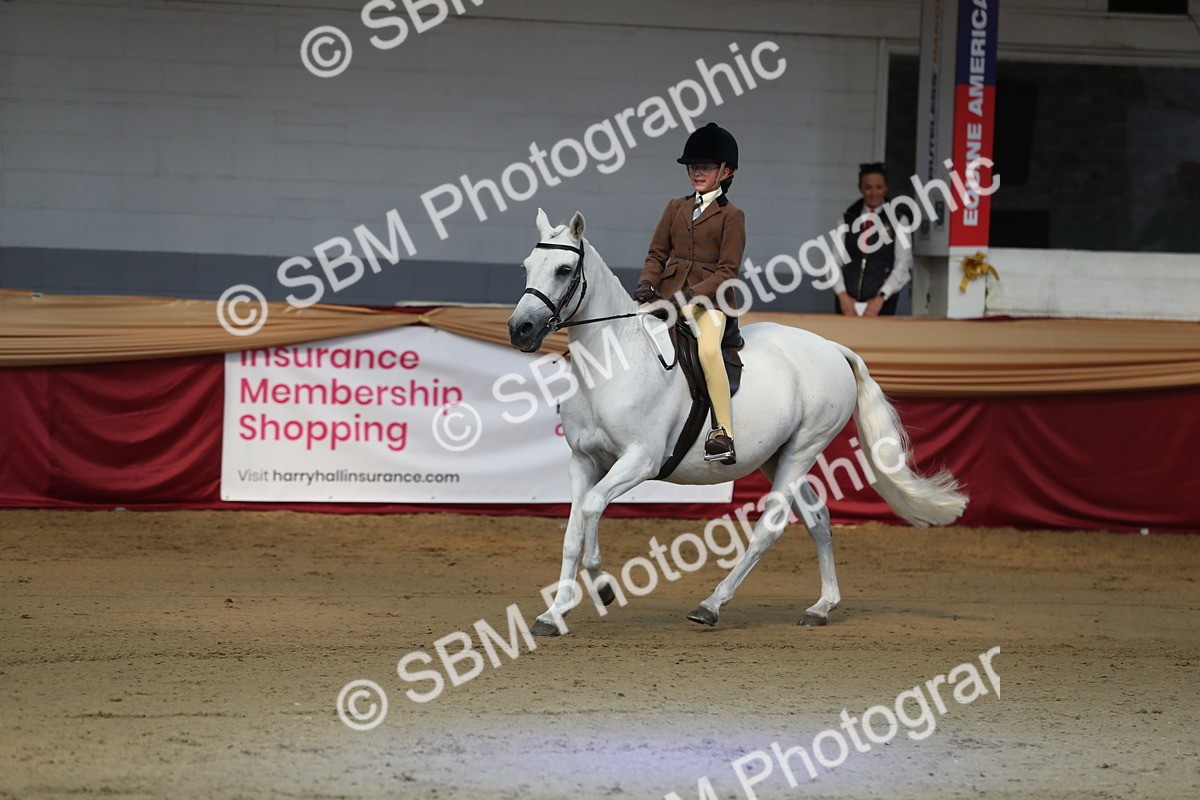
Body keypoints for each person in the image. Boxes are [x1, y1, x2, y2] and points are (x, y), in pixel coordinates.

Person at [634, 122, 745, 465]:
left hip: (708, 302)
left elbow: (728, 270)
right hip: (667, 295)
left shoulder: (732, 216)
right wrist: (647, 284)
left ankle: (722, 432)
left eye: (706, 167)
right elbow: (657, 254)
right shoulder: (674, 207)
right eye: (694, 167)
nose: (697, 173)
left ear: (726, 172)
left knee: (709, 350)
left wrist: (689, 297)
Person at [832, 162, 912, 317]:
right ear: (860, 188)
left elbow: (903, 264)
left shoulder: (899, 220)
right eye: (868, 187)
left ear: (886, 187)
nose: (873, 193)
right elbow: (834, 260)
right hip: (847, 305)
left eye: (879, 187)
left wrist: (881, 297)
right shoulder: (847, 218)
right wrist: (842, 295)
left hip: (882, 304)